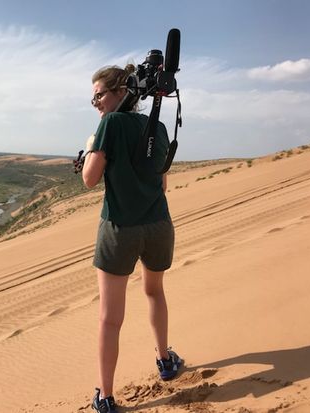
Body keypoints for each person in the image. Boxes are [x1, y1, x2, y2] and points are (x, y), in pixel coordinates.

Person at [82, 65, 182, 413]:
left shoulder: (109, 124)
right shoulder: (161, 127)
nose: (95, 102)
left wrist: (92, 146)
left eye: (99, 94)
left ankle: (105, 397)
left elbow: (90, 179)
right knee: (154, 292)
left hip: (119, 228)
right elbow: (163, 183)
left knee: (110, 318)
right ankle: (166, 361)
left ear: (121, 91)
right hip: (158, 225)